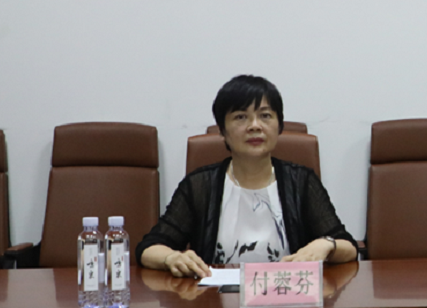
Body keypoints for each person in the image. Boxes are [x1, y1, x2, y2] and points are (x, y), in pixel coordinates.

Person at [137, 75, 357, 277]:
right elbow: (149, 247)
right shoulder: (200, 185)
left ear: (279, 126)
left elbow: (348, 247)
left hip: (285, 296)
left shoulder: (301, 181)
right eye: (241, 117)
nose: (255, 126)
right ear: (223, 130)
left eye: (265, 116)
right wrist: (171, 257)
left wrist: (326, 244)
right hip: (215, 298)